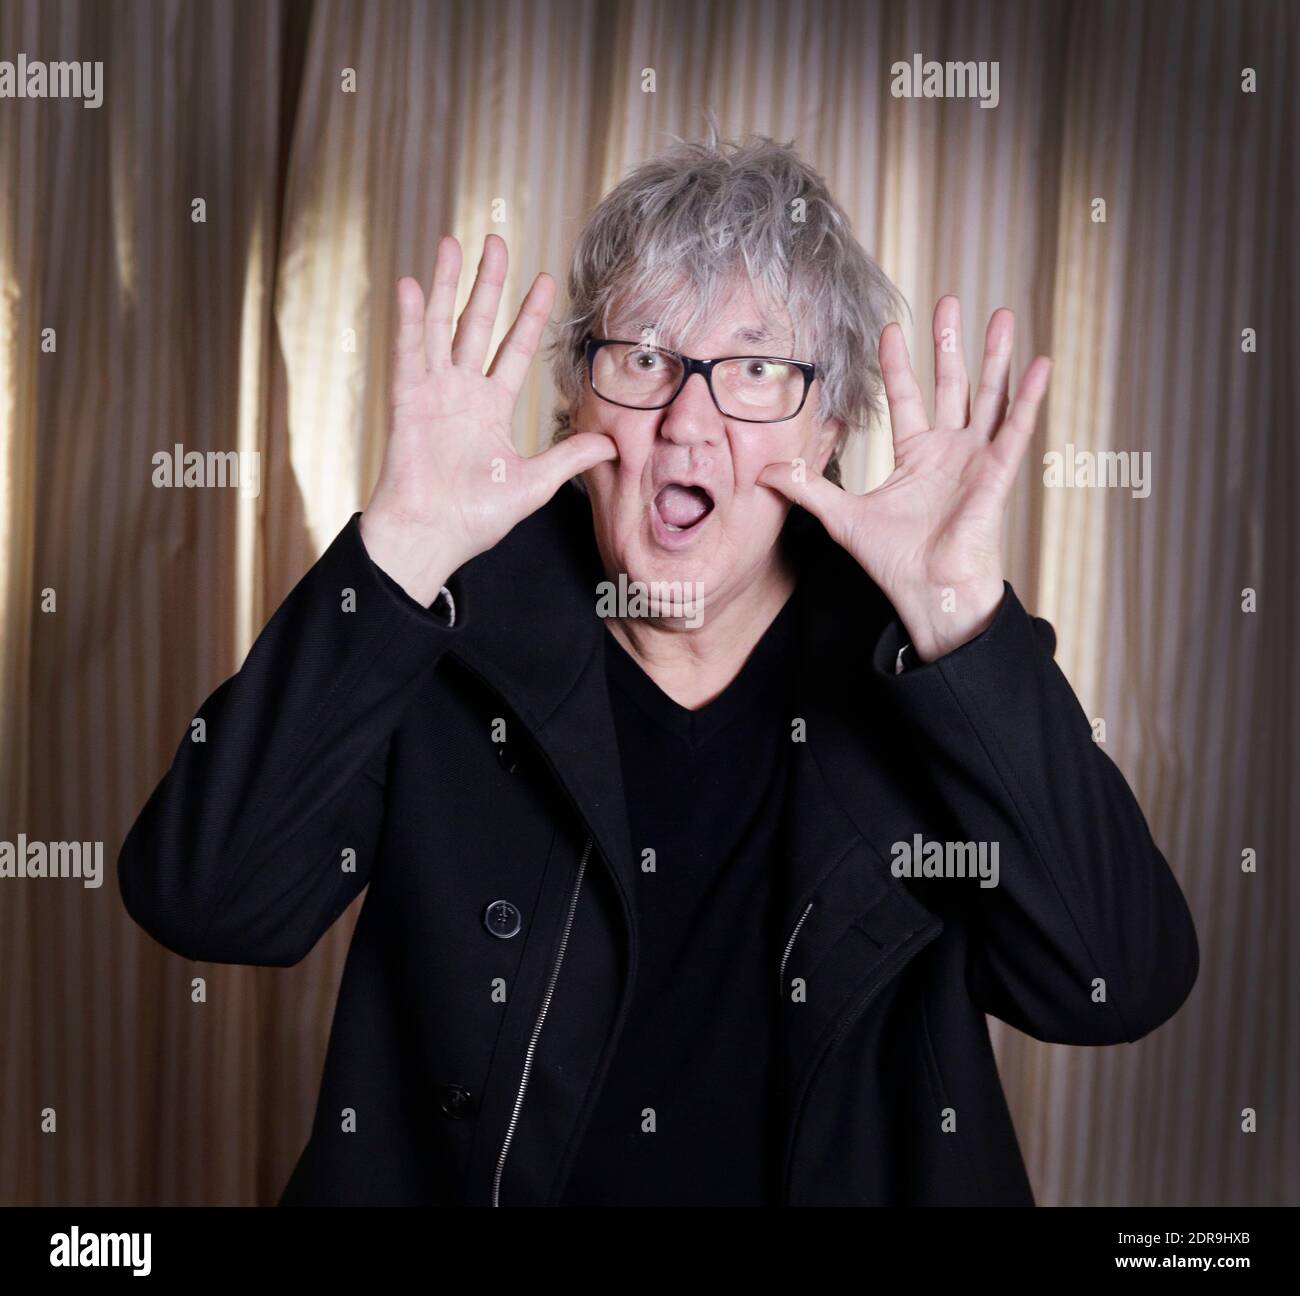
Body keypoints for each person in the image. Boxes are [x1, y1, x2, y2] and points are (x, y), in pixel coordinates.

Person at [118, 129, 1198, 1207]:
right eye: (644, 359)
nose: (689, 420)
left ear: (828, 430)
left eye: (757, 370)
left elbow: (1114, 984)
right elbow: (206, 900)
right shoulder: (437, 629)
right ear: (581, 401)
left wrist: (963, 629)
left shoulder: (916, 670)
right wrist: (393, 554)